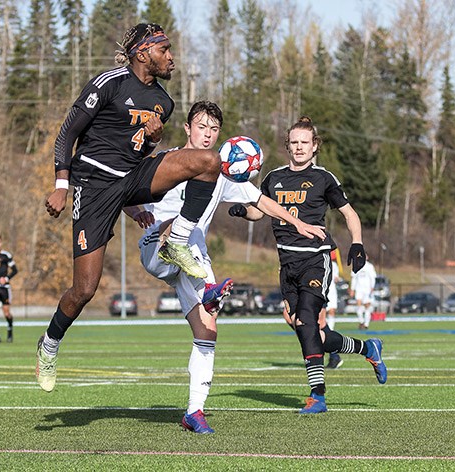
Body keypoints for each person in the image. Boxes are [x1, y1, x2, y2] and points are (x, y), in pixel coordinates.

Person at [37, 24, 226, 392]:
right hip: (93, 187)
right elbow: (67, 134)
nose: (171, 57)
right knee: (84, 290)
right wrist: (62, 184)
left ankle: (180, 239)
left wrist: (155, 140)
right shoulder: (108, 83)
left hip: (133, 176)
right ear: (143, 53)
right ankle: (49, 344)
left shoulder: (165, 103)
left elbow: (139, 151)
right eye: (165, 49)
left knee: (208, 161)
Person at [128, 101, 326, 433]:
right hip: (157, 245)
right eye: (201, 127)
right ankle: (208, 289)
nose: (207, 135)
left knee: (207, 330)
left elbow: (261, 202)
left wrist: (298, 223)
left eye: (214, 130)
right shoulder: (166, 160)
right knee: (179, 228)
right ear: (189, 128)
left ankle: (194, 411)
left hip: (195, 256)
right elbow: (126, 193)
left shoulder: (222, 170)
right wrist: (138, 214)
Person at [229, 116, 387, 414]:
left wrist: (357, 243)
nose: (299, 147)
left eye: (305, 143)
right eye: (294, 143)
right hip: (286, 263)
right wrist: (242, 211)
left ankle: (318, 395)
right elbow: (260, 211)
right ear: (287, 146)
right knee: (306, 329)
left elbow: (349, 213)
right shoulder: (274, 178)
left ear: (315, 147)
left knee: (305, 321)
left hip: (315, 259)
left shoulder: (323, 178)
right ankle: (367, 348)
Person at [324, 248, 343, 369]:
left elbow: (335, 277)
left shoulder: (333, 264)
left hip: (328, 292)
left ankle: (334, 356)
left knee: (323, 327)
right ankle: (333, 356)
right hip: (319, 292)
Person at [350, 255, 376, 330]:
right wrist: (352, 289)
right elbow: (354, 279)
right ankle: (361, 321)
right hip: (359, 289)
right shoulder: (355, 266)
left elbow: (372, 278)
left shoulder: (369, 266)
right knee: (358, 305)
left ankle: (366, 324)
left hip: (367, 289)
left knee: (367, 306)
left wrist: (372, 287)